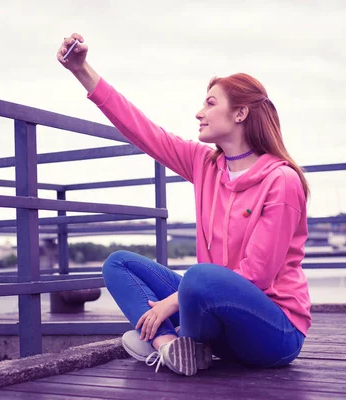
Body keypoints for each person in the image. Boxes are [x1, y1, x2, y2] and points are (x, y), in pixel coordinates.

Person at [57, 33, 311, 376]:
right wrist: (80, 69)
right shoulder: (203, 164)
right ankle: (170, 347)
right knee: (119, 264)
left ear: (240, 113)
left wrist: (171, 302)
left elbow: (257, 277)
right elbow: (142, 130)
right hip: (215, 321)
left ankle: (169, 337)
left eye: (209, 103)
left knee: (200, 277)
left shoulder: (281, 181)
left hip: (274, 331)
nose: (198, 113)